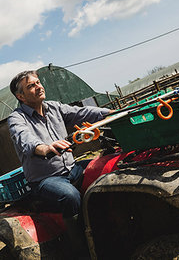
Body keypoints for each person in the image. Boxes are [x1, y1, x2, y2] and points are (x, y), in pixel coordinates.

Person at [7, 70, 110, 254]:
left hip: (72, 169)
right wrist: (45, 148)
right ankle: (84, 251)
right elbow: (25, 139)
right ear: (20, 96)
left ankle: (107, 227)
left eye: (38, 82)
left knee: (107, 167)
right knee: (69, 196)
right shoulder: (17, 118)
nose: (38, 86)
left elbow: (81, 112)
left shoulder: (54, 107)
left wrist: (110, 112)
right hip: (45, 179)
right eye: (31, 85)